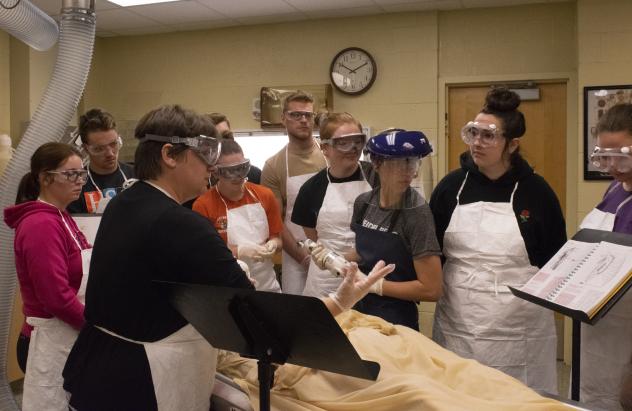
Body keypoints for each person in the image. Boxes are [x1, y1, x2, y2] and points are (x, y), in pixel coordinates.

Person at [62, 104, 393, 411]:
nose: (211, 165)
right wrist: (339, 300)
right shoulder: (183, 223)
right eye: (205, 152)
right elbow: (262, 325)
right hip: (143, 382)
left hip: (98, 367)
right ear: (169, 155)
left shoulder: (124, 203)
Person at [429, 88, 566, 393]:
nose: (477, 142)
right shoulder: (450, 187)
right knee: (461, 394)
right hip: (459, 324)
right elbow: (432, 252)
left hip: (519, 330)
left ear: (512, 144)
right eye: (473, 133)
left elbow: (555, 259)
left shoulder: (537, 192)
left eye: (488, 136)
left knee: (517, 396)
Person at [312, 129, 442, 330]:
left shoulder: (417, 213)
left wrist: (376, 285)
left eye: (412, 162)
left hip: (396, 316)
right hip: (359, 308)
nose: (409, 172)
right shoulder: (364, 203)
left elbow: (431, 289)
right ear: (377, 163)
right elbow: (364, 251)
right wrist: (334, 258)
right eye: (399, 164)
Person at [4, 142, 91, 411]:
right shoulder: (40, 224)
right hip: (48, 341)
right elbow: (55, 297)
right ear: (44, 177)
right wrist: (96, 328)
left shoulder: (61, 216)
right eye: (70, 174)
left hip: (68, 335)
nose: (79, 181)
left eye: (82, 173)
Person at [578, 103, 632, 411]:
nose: (611, 165)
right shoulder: (615, 189)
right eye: (603, 156)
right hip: (600, 333)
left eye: (620, 156)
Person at [292, 112, 377, 297]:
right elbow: (313, 237)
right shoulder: (311, 189)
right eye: (344, 143)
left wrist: (357, 254)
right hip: (325, 280)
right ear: (325, 148)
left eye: (358, 141)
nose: (353, 148)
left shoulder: (377, 178)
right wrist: (335, 260)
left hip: (368, 276)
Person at [193, 139, 283, 292]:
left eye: (242, 169)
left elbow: (278, 238)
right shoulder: (203, 205)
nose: (237, 177)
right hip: (230, 286)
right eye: (229, 171)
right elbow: (207, 256)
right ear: (215, 171)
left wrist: (273, 244)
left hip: (268, 285)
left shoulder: (264, 195)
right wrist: (240, 251)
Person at [261, 91, 327, 294]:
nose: (303, 120)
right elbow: (276, 221)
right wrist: (304, 258)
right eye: (296, 115)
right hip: (297, 256)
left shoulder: (329, 155)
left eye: (308, 115)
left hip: (333, 250)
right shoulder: (274, 166)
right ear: (283, 119)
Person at [67, 108, 134, 214]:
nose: (110, 153)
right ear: (86, 149)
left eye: (114, 144)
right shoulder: (76, 184)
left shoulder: (138, 176)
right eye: (99, 149)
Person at [208, 112, 262, 184]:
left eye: (226, 136)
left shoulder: (254, 175)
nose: (223, 143)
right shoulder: (200, 180)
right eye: (214, 139)